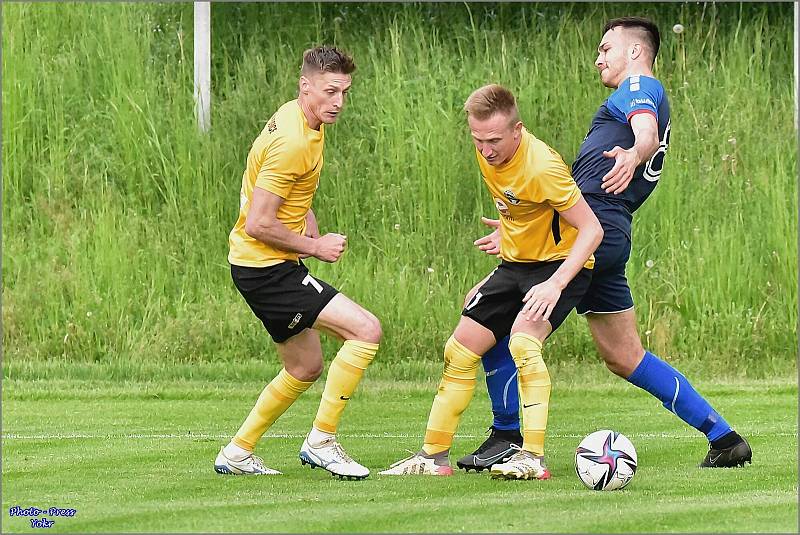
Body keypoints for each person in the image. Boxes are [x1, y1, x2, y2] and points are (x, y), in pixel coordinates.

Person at [457, 17, 752, 473]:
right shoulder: (640, 92)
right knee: (625, 356)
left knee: (505, 326)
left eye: (605, 48)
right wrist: (516, 232)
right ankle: (724, 437)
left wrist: (637, 151)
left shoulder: (638, 84)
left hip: (588, 232)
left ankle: (509, 438)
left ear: (634, 53)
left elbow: (645, 131)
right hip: (609, 233)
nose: (598, 58)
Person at [380, 84, 603, 479]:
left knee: (522, 343)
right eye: (477, 139)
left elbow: (591, 230)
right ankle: (433, 458)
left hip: (559, 267)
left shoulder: (543, 166)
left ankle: (531, 458)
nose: (485, 149)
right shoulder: (487, 149)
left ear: (518, 130)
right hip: (514, 266)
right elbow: (522, 206)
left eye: (494, 140)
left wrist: (554, 284)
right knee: (460, 348)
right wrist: (506, 233)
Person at [214, 46, 382, 480]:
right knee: (365, 330)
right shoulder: (292, 141)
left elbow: (281, 190)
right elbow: (257, 222)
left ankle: (237, 453)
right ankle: (322, 441)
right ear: (305, 86)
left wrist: (305, 215)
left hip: (262, 265)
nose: (339, 102)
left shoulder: (301, 117)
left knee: (304, 366)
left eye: (344, 91)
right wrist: (316, 246)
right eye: (330, 91)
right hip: (266, 268)